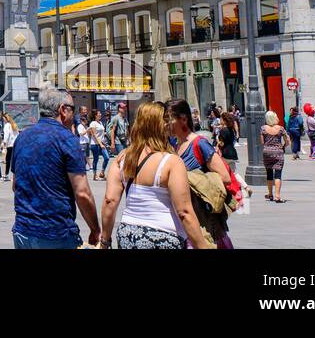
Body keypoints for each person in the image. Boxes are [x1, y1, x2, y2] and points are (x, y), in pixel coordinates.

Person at [100, 101, 206, 250]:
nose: (168, 124)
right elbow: (184, 212)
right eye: (166, 120)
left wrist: (105, 240)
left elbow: (110, 200)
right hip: (164, 236)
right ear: (160, 125)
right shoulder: (172, 162)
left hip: (128, 234)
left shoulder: (123, 158)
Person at [11, 88, 100, 249]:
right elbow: (82, 193)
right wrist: (95, 229)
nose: (74, 114)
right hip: (56, 233)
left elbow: (15, 185)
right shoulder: (67, 140)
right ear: (63, 110)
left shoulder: (22, 137)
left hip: (22, 231)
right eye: (73, 109)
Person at [168, 98, 237, 248]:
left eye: (170, 119)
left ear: (183, 119)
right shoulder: (174, 145)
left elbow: (224, 177)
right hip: (183, 220)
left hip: (204, 221)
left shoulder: (200, 144)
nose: (166, 124)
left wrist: (189, 180)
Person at [260, 111, 288, 203]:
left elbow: (262, 142)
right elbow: (287, 141)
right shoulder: (281, 129)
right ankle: (277, 196)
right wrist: (283, 147)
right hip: (278, 152)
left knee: (269, 173)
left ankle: (270, 194)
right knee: (278, 174)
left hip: (267, 152)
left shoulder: (263, 128)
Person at [216, 111, 240, 186]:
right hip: (233, 153)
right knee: (234, 174)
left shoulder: (223, 130)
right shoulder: (231, 129)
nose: (220, 120)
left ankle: (225, 188)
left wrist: (217, 139)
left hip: (225, 154)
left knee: (221, 172)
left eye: (221, 119)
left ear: (224, 120)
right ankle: (246, 187)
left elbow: (222, 144)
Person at [87, 109, 110, 180]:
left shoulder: (100, 122)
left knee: (107, 158)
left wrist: (105, 134)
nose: (100, 114)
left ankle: (102, 172)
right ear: (95, 115)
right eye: (99, 113)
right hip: (95, 144)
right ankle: (94, 175)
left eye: (100, 113)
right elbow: (94, 135)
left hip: (102, 143)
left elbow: (101, 133)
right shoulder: (92, 123)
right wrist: (100, 144)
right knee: (96, 159)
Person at [1, 114, 18, 185]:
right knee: (14, 160)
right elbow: (17, 134)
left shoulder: (7, 125)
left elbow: (6, 135)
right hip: (15, 144)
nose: (3, 120)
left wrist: (4, 143)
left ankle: (6, 174)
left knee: (7, 160)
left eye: (3, 118)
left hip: (9, 144)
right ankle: (15, 175)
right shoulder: (14, 124)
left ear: (5, 118)